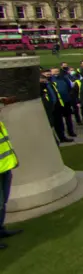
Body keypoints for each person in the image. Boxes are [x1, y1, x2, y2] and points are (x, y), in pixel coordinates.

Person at [0, 100, 23, 249]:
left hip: (5, 168)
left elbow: (5, 144)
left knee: (3, 202)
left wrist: (13, 159)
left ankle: (1, 229)